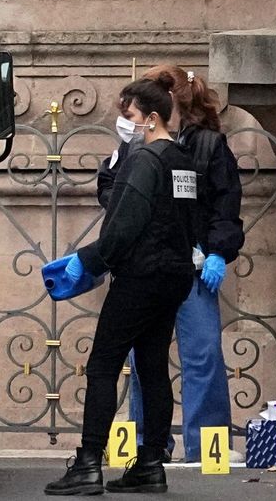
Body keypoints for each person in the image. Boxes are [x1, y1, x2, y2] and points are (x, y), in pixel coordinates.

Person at [44, 74, 198, 496]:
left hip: (141, 276)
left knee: (103, 365)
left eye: (129, 115)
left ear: (151, 118)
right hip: (174, 276)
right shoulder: (183, 161)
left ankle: (89, 463)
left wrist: (86, 261)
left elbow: (124, 226)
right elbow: (190, 220)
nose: (125, 123)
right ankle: (151, 463)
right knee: (153, 368)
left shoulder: (146, 161)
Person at [97, 65, 244, 463]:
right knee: (145, 360)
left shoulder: (209, 146)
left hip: (193, 265)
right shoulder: (132, 148)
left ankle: (205, 445)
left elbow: (225, 205)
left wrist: (218, 251)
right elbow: (109, 190)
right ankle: (150, 444)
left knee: (203, 355)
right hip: (146, 265)